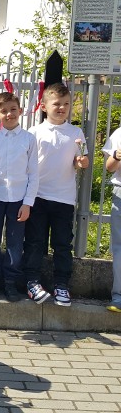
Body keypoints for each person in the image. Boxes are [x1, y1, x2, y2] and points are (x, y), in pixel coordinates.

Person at [22, 83, 89, 306]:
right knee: (34, 242)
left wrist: (81, 162)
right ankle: (32, 281)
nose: (62, 108)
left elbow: (83, 160)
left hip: (64, 198)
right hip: (38, 196)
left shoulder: (76, 132)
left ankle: (62, 284)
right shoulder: (34, 133)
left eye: (66, 104)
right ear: (44, 106)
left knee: (62, 244)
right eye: (56, 104)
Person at [0, 92, 38, 302]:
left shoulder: (29, 139)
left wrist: (28, 203)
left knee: (15, 243)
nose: (9, 114)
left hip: (19, 199)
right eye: (4, 111)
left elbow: (33, 174)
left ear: (20, 111)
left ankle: (11, 283)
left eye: (13, 109)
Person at [103, 125, 121, 312]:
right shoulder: (120, 133)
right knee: (120, 247)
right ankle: (118, 296)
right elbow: (109, 167)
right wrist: (116, 156)